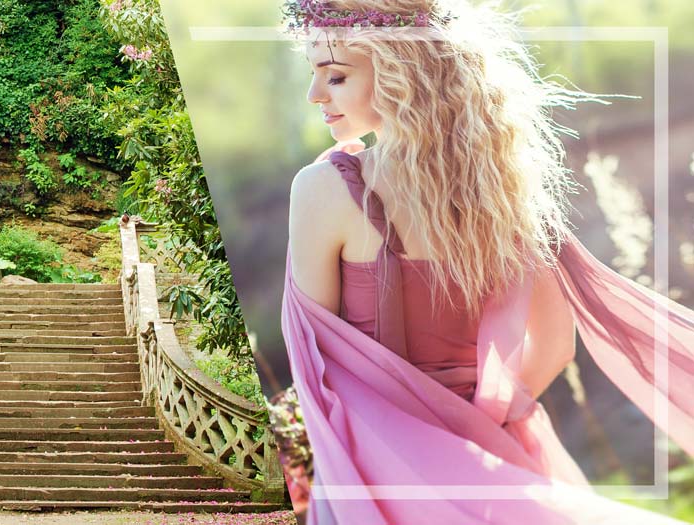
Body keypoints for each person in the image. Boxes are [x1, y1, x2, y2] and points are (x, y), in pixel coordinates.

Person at [278, 0, 694, 523]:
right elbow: (555, 346)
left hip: (379, 474)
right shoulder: (507, 195)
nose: (314, 94)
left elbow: (317, 369)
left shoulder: (323, 190)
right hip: (497, 456)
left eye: (335, 76)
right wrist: (480, 426)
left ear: (400, 74)